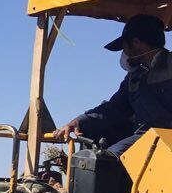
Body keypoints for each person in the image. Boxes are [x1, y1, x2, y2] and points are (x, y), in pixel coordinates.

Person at [54, 14, 172, 156]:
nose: (124, 53)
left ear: (136, 43)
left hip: (162, 140)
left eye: (124, 47)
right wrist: (79, 122)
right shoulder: (134, 78)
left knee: (107, 160)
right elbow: (113, 109)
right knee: (99, 151)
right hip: (149, 139)